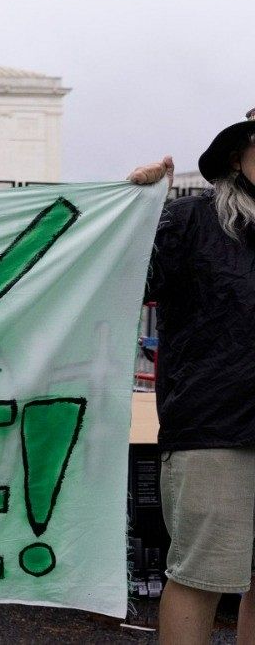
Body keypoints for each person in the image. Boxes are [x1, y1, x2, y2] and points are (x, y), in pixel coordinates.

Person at [129, 115, 255, 645]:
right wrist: (134, 210)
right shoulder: (192, 219)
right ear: (236, 156)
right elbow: (125, 279)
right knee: (202, 576)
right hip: (214, 430)